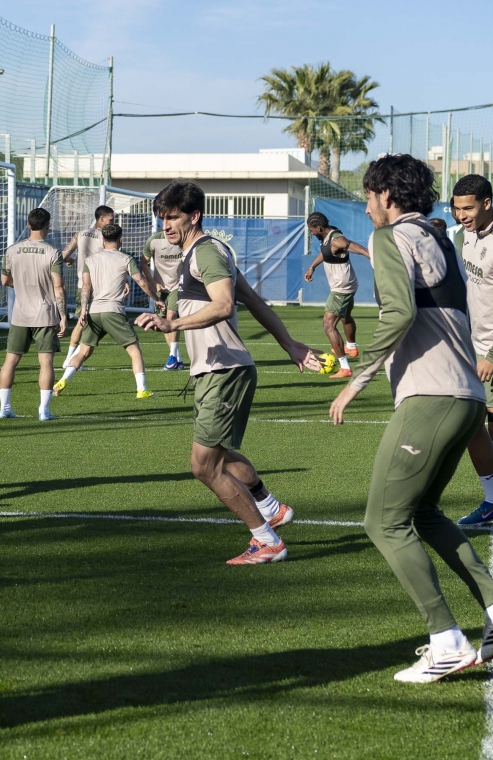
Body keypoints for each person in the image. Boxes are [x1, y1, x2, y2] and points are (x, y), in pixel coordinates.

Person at [329, 155, 493, 682]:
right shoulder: (442, 237)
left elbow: (399, 313)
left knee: (383, 520)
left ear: (386, 196)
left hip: (432, 396)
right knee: (422, 513)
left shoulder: (389, 237)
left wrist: (357, 380)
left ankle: (445, 639)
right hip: (466, 396)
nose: (367, 205)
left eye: (369, 195)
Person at [136, 180, 311, 565]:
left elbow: (225, 304)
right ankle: (271, 507)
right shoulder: (196, 255)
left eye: (173, 217)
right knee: (222, 455)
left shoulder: (206, 252)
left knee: (204, 466)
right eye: (162, 218)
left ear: (194, 216)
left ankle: (267, 541)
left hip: (225, 369)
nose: (165, 225)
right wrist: (290, 344)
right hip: (214, 369)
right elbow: (254, 301)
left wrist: (173, 327)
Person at [53, 222, 158, 398]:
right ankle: (142, 389)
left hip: (94, 311)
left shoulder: (90, 260)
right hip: (113, 311)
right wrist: (157, 300)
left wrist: (84, 310)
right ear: (121, 239)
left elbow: (86, 286)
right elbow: (142, 282)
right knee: (134, 350)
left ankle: (63, 380)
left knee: (84, 351)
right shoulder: (126, 259)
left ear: (103, 239)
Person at [450, 176, 493, 526]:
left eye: (468, 207)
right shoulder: (463, 236)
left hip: (490, 351)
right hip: (473, 344)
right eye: (457, 207)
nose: (461, 214)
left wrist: (491, 355)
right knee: (473, 423)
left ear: (487, 203)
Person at [0, 208, 68, 420]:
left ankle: (4, 408)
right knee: (46, 362)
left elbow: (5, 281)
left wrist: (20, 284)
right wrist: (63, 316)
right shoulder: (53, 253)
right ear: (48, 225)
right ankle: (44, 410)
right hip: (45, 314)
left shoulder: (12, 250)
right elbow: (58, 287)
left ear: (28, 225)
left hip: (20, 314)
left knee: (10, 360)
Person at [303, 212, 370, 378]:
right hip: (346, 284)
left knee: (328, 325)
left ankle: (345, 368)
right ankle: (351, 347)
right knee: (345, 316)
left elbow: (360, 249)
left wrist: (376, 258)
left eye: (311, 230)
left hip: (342, 288)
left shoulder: (336, 239)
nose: (311, 233)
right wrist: (312, 267)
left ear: (319, 228)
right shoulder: (327, 236)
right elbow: (324, 253)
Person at [60, 205, 113, 371]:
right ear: (101, 219)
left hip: (81, 285)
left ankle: (72, 358)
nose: (113, 222)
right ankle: (70, 359)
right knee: (84, 323)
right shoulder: (105, 236)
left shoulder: (80, 234)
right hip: (98, 286)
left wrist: (71, 259)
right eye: (110, 219)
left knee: (82, 322)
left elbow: (63, 255)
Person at [140, 221, 186, 370]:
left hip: (178, 286)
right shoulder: (154, 241)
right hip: (160, 288)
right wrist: (153, 283)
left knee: (172, 317)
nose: (168, 227)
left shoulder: (183, 239)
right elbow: (143, 263)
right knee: (163, 323)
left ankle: (172, 357)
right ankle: (177, 358)